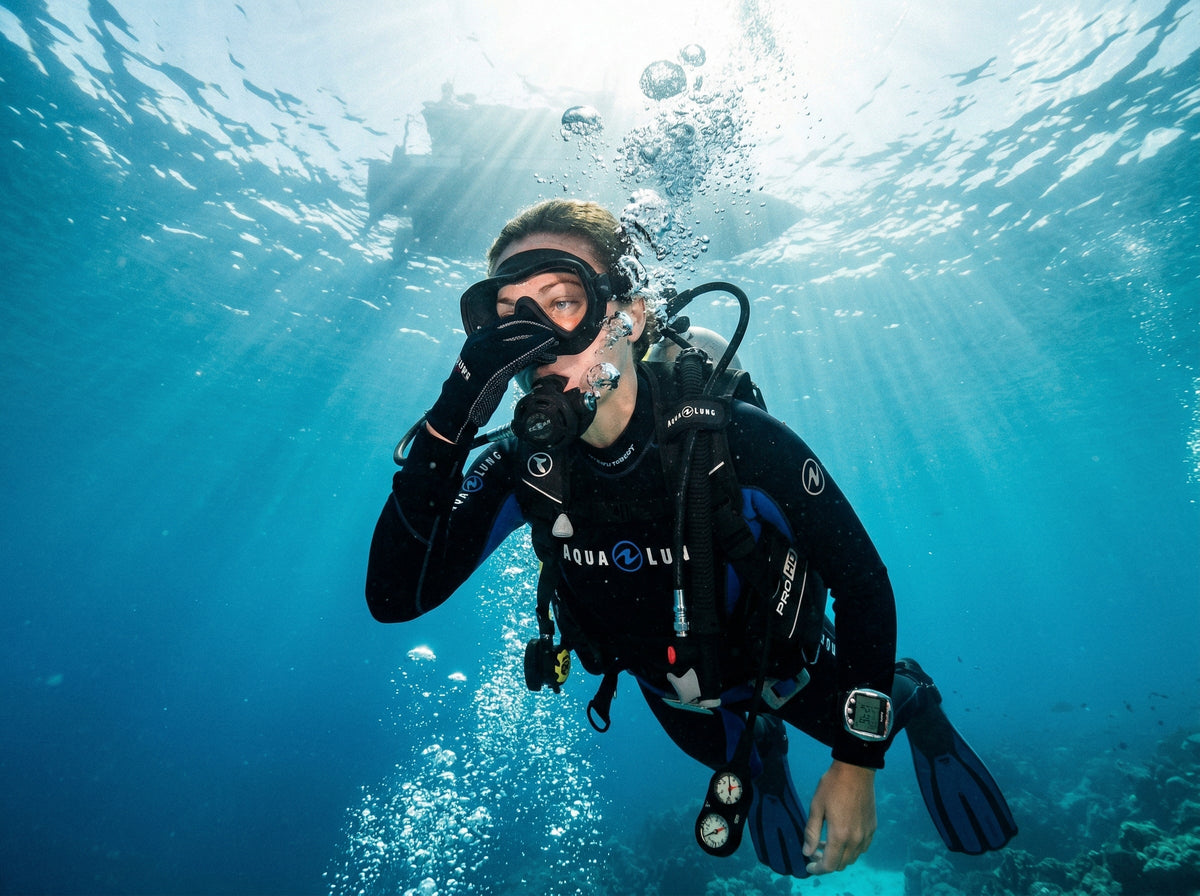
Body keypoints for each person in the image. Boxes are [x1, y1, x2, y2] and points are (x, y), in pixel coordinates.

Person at [366, 198, 1017, 877]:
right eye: (509, 319)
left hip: (788, 664)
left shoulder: (734, 440)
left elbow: (861, 583)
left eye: (560, 302)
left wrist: (856, 763)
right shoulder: (520, 468)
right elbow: (394, 596)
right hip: (672, 689)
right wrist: (452, 417)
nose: (534, 344)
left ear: (629, 315)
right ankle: (760, 754)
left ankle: (916, 703)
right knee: (733, 755)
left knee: (872, 703)